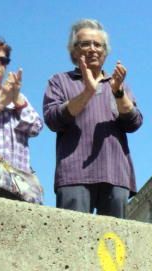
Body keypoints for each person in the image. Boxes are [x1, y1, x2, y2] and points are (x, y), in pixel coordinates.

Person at [43, 19, 142, 218]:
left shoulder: (116, 83)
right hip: (74, 175)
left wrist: (119, 93)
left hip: (115, 175)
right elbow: (53, 119)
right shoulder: (60, 81)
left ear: (105, 52)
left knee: (113, 244)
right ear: (74, 50)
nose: (92, 49)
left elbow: (134, 122)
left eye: (98, 44)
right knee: (73, 242)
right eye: (85, 44)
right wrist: (88, 91)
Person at [0, 35, 43, 202]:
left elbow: (36, 127)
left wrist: (17, 99)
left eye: (3, 59)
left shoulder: (18, 97)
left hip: (19, 183)